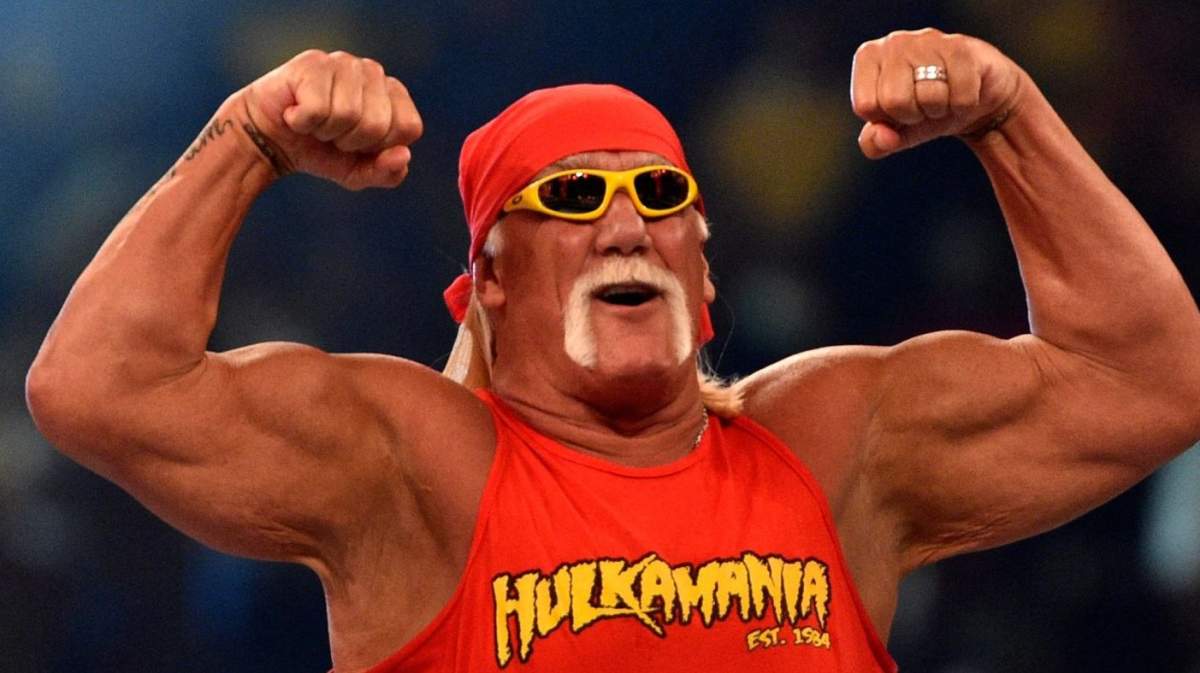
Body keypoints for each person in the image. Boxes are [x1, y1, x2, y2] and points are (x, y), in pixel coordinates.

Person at [25, 28, 1200, 672]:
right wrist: (248, 137)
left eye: (661, 194)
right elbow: (97, 387)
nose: (628, 223)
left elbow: (1152, 382)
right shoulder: (417, 467)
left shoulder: (831, 444)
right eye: (575, 195)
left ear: (703, 270)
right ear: (489, 282)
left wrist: (1011, 117)